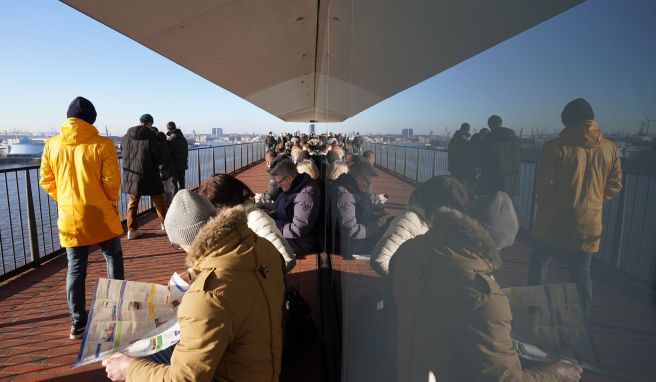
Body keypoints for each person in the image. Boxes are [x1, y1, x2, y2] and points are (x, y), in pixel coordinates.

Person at [389, 191, 583, 382]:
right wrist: (554, 375)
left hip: (405, 368)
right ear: (497, 246)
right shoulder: (482, 296)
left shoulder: (410, 249)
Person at [102, 190, 285, 381]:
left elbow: (184, 379)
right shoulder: (263, 248)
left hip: (231, 374)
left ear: (185, 240)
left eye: (177, 245)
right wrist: (196, 273)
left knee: (135, 358)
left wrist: (129, 369)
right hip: (263, 365)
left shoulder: (208, 295)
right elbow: (234, 270)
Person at [39, 97, 124, 339]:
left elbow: (46, 180)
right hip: (102, 215)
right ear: (92, 119)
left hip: (70, 218)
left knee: (76, 269)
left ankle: (78, 321)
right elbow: (111, 182)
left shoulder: (52, 145)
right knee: (113, 257)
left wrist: (65, 199)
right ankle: (116, 310)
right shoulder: (102, 144)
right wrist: (108, 202)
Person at [528, 98, 622, 316]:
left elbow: (544, 187)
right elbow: (615, 184)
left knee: (540, 261)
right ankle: (581, 320)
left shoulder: (555, 148)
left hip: (555, 218)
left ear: (567, 121)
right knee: (581, 272)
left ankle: (532, 309)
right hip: (589, 221)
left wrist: (547, 206)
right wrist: (596, 201)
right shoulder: (610, 148)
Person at [370, 176, 468, 278]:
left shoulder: (427, 222)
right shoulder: (410, 220)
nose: (451, 214)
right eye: (450, 208)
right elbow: (380, 259)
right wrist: (409, 286)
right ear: (437, 203)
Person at [199, 174, 297, 273]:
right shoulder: (232, 222)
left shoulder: (256, 219)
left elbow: (287, 259)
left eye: (216, 208)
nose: (215, 214)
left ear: (226, 203)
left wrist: (252, 279)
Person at [121, 114, 168, 239]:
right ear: (150, 124)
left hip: (131, 174)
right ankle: (165, 224)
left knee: (133, 203)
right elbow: (158, 157)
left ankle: (131, 230)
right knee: (159, 200)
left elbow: (123, 152)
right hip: (150, 174)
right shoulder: (151, 137)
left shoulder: (126, 137)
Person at [330, 160, 388, 256]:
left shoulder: (353, 188)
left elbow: (361, 213)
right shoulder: (345, 195)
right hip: (350, 245)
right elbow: (351, 231)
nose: (369, 186)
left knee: (392, 224)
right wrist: (376, 225)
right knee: (392, 237)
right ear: (360, 178)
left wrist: (376, 215)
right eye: (369, 183)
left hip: (356, 239)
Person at [270, 159, 321, 256]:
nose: (279, 186)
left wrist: (273, 224)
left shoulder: (305, 195)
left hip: (300, 243)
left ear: (289, 178)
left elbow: (298, 229)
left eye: (280, 182)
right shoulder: (291, 188)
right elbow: (282, 211)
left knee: (258, 242)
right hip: (289, 236)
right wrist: (271, 215)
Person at [478, 115, 521, 196]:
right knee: (508, 202)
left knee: (491, 203)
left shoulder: (488, 137)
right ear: (501, 123)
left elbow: (482, 157)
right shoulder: (513, 137)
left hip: (493, 177)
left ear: (490, 125)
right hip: (511, 176)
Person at [448, 123, 474, 187]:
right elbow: (468, 153)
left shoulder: (454, 138)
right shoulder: (464, 139)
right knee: (460, 185)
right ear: (467, 129)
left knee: (454, 184)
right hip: (461, 166)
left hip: (453, 165)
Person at [165, 121, 188, 195]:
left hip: (174, 165)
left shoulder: (170, 140)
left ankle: (176, 201)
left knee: (174, 183)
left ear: (168, 129)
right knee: (182, 182)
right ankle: (184, 198)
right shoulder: (183, 138)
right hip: (183, 163)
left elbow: (168, 154)